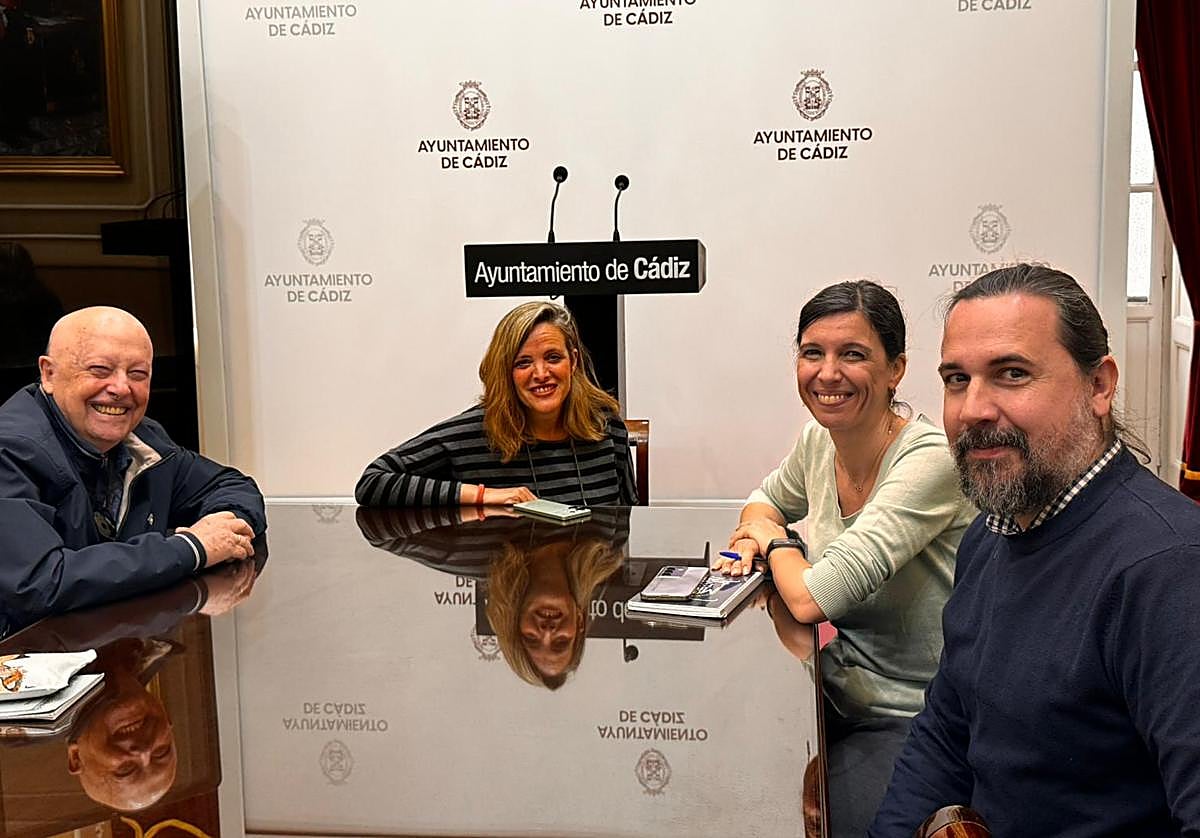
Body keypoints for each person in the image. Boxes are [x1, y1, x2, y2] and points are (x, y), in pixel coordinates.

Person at [870, 264, 1200, 837]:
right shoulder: (989, 536)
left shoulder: (1170, 571)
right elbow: (947, 733)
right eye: (956, 380)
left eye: (1012, 374)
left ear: (1099, 386)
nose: (972, 409)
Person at [715, 280, 976, 837]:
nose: (827, 373)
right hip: (831, 690)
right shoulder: (818, 440)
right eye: (813, 353)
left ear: (896, 369)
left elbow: (813, 598)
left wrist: (777, 541)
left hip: (914, 714)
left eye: (852, 354)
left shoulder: (930, 460)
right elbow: (761, 503)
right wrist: (752, 532)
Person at [0, 306, 266, 635]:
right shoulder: (9, 450)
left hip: (110, 651)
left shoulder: (143, 441)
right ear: (48, 374)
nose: (121, 388)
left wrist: (222, 529)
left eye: (138, 374)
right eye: (100, 370)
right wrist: (190, 549)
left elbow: (233, 487)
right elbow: (39, 585)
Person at [355, 301, 637, 507]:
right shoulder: (471, 433)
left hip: (590, 584)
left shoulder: (605, 425)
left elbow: (628, 524)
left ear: (573, 361)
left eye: (553, 357)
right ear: (506, 372)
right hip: (513, 584)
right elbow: (373, 481)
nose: (541, 374)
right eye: (523, 362)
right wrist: (484, 495)